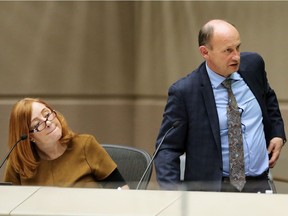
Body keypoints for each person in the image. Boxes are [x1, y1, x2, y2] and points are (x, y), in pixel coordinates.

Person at [154, 19, 286, 193]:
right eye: (228, 51)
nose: (236, 56)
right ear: (205, 52)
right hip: (214, 190)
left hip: (259, 183)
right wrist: (174, 197)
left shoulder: (253, 66)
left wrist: (277, 133)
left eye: (238, 47)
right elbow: (167, 149)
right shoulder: (185, 92)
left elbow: (268, 97)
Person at [3, 97, 129, 189]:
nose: (48, 123)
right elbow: (8, 206)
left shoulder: (85, 145)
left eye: (47, 114)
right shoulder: (18, 162)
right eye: (37, 124)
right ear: (28, 136)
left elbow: (122, 190)